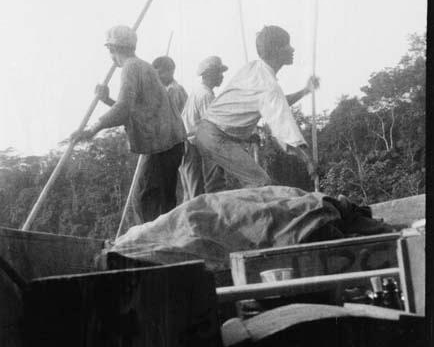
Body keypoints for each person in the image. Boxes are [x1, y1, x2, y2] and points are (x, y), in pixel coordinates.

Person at [70, 25, 185, 224]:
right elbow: (134, 110)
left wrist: (91, 130)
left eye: (109, 50)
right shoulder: (142, 66)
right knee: (158, 201)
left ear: (113, 50)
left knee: (145, 199)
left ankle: (154, 248)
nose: (110, 56)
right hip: (168, 143)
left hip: (164, 145)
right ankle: (161, 245)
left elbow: (124, 110)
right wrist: (107, 100)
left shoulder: (131, 67)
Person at [195, 25, 319, 193]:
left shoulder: (254, 68)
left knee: (215, 191)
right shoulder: (268, 85)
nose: (292, 49)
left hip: (206, 132)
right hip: (216, 137)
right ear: (276, 51)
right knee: (261, 184)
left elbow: (275, 102)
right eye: (287, 45)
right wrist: (308, 159)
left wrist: (305, 91)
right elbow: (283, 124)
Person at [179, 55, 228, 200]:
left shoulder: (200, 91)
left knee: (191, 192)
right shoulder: (205, 95)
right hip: (192, 145)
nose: (222, 76)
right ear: (208, 74)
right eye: (218, 72)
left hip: (189, 145)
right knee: (199, 192)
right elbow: (214, 126)